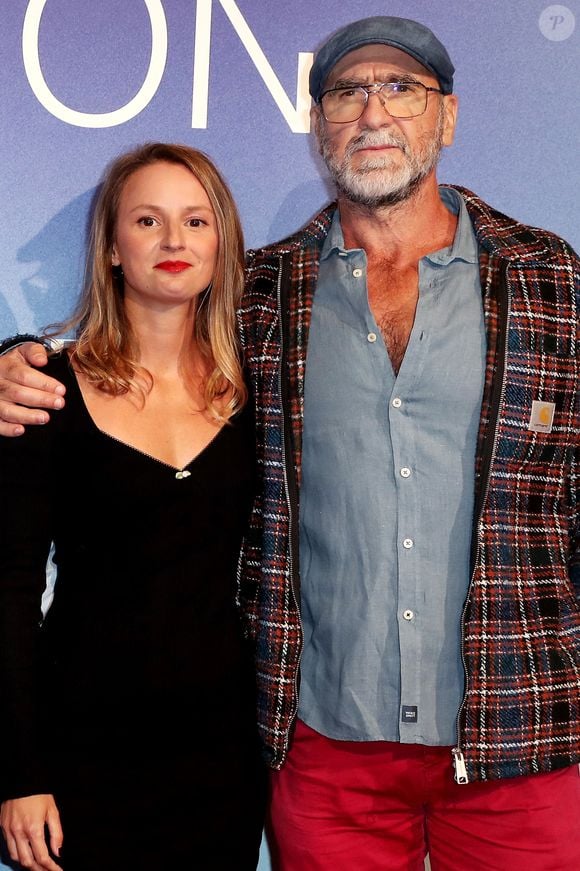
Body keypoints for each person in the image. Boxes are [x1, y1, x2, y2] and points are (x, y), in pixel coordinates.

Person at [1, 15, 579, 871]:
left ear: (447, 118)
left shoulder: (551, 280)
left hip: (517, 738)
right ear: (319, 126)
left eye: (401, 89)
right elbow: (134, 352)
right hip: (322, 751)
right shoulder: (261, 297)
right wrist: (12, 364)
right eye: (345, 91)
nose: (372, 112)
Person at [0, 142, 266, 871]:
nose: (174, 241)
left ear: (222, 245)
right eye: (147, 220)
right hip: (79, 754)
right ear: (113, 248)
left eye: (195, 222)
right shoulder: (42, 389)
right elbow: (10, 589)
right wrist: (19, 773)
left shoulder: (257, 392)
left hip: (221, 759)